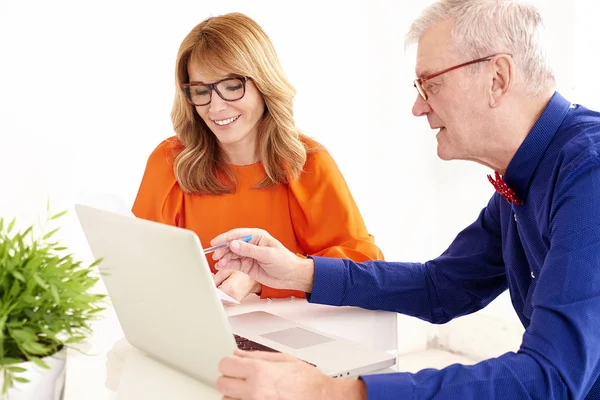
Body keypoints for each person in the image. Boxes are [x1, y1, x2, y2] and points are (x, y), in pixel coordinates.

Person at [210, 1, 600, 399]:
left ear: (497, 78)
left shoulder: (591, 171)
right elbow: (443, 287)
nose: (418, 107)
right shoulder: (524, 175)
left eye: (431, 83)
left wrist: (332, 392)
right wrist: (298, 273)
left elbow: (552, 377)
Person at [131, 13, 383, 303]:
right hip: (197, 328)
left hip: (292, 331)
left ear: (263, 82)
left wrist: (259, 280)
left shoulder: (308, 162)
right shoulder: (171, 161)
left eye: (231, 86)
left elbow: (363, 265)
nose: (216, 107)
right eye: (201, 90)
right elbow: (140, 266)